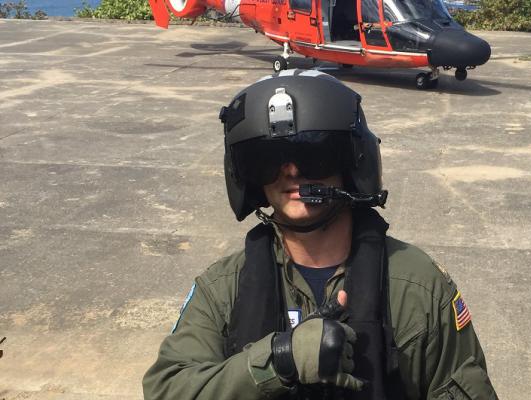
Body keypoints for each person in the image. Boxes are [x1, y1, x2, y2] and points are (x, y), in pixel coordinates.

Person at [143, 70, 498, 400]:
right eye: (266, 158)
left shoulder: (416, 287)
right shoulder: (223, 288)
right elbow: (168, 388)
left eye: (313, 153)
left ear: (352, 162)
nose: (292, 172)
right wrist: (276, 361)